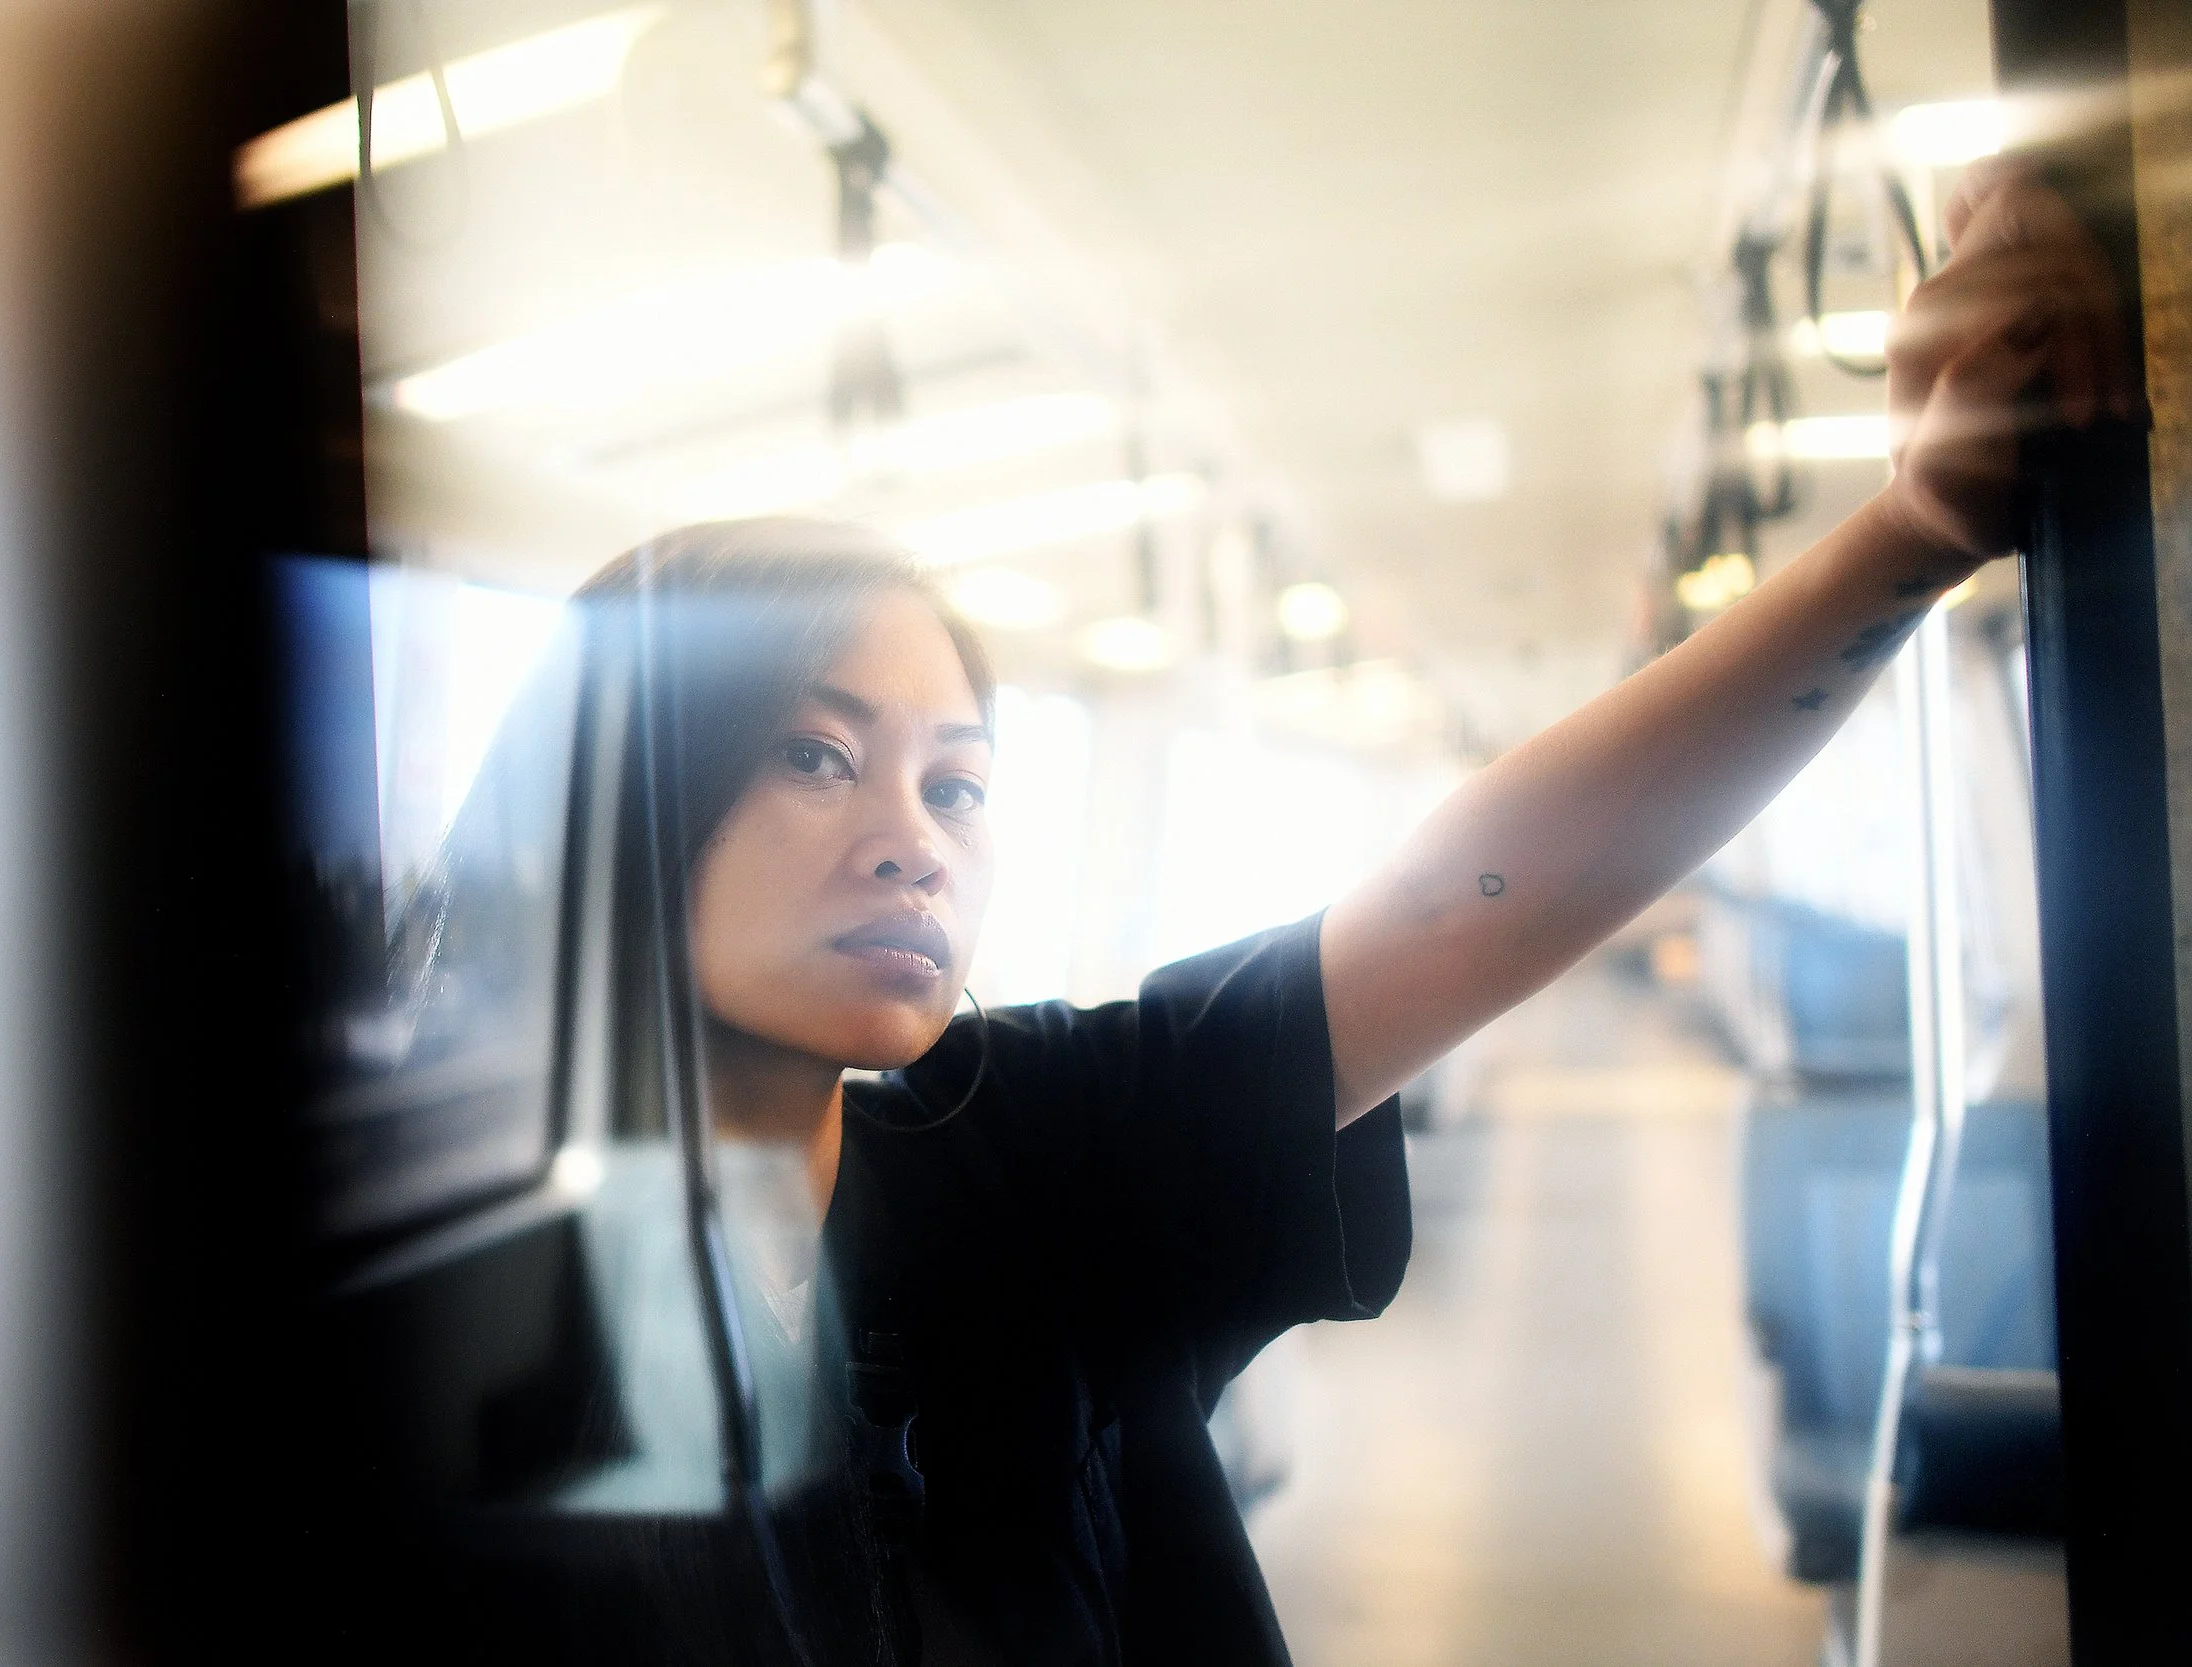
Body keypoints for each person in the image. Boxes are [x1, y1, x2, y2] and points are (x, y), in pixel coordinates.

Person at [564, 159, 2130, 1666]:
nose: (911, 841)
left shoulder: (1030, 1143)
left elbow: (1456, 906)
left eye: (957, 785)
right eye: (818, 755)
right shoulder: (477, 1308)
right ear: (631, 790)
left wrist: (1916, 527)